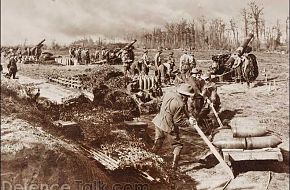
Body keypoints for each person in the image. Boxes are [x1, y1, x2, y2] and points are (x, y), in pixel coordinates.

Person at [152, 83, 196, 169]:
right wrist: (188, 122)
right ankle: (174, 166)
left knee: (158, 142)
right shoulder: (180, 104)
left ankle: (150, 158)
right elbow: (178, 122)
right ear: (185, 95)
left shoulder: (168, 93)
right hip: (168, 126)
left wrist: (189, 115)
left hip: (158, 121)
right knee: (178, 145)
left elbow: (160, 103)